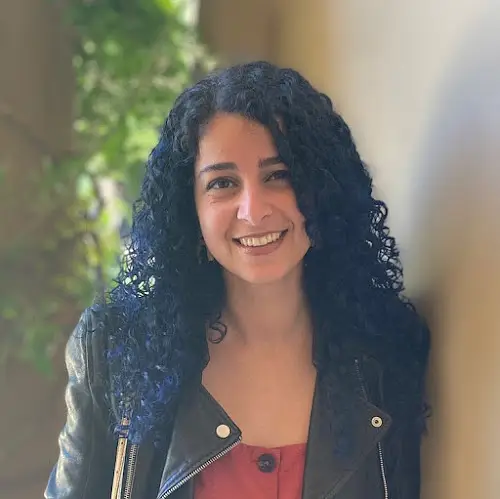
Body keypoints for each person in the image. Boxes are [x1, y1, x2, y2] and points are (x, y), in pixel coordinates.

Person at [45, 61, 429, 499]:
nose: (253, 210)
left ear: (324, 190)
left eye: (278, 176)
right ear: (190, 209)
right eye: (223, 183)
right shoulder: (116, 350)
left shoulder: (385, 349)